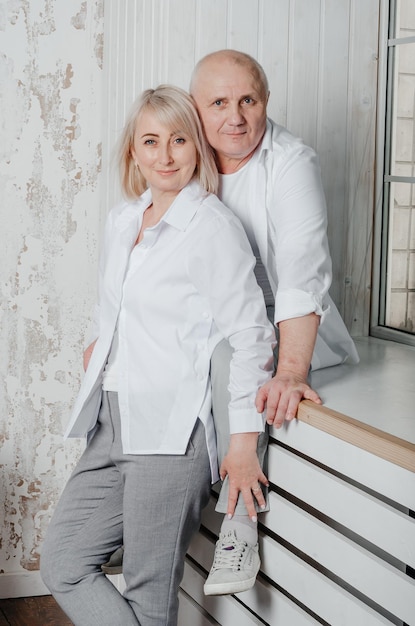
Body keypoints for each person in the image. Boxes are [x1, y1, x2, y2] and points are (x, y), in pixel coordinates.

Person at [40, 85, 275, 625]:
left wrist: (243, 441)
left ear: (196, 148)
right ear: (133, 151)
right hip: (112, 422)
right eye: (151, 141)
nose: (165, 155)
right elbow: (117, 310)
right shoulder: (124, 221)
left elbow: (251, 336)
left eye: (178, 140)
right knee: (65, 563)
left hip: (172, 435)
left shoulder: (211, 227)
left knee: (148, 595)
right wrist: (106, 347)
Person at [188, 49, 359, 596]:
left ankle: (238, 527)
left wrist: (288, 370)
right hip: (226, 322)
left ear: (266, 102)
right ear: (196, 109)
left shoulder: (291, 162)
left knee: (234, 355)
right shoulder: (190, 156)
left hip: (290, 331)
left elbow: (302, 273)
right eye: (218, 103)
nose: (234, 116)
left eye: (248, 100)